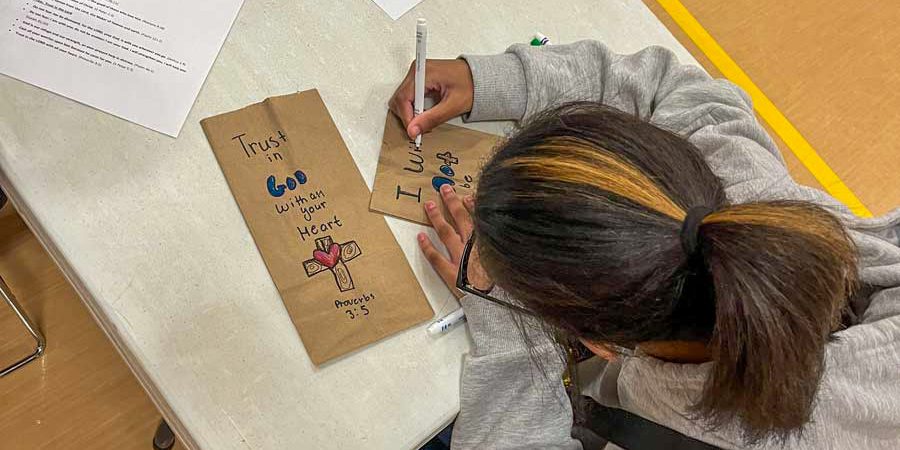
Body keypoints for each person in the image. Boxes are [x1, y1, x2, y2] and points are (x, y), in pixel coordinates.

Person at [390, 41, 900, 450]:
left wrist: (509, 329)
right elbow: (671, 85)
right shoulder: (738, 193)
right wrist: (491, 80)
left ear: (596, 345)